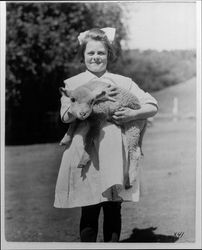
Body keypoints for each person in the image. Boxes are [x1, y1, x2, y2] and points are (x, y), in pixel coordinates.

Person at [54, 27, 158, 242]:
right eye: (90, 53)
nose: (95, 57)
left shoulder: (123, 82)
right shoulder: (73, 84)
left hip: (114, 150)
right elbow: (66, 117)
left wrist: (133, 113)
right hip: (85, 148)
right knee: (89, 209)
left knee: (112, 207)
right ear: (83, 56)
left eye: (101, 53)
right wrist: (88, 97)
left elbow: (152, 106)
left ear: (109, 55)